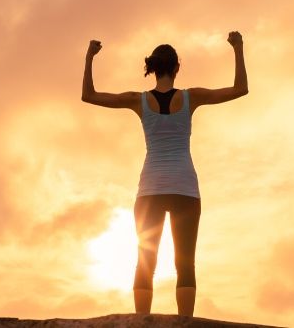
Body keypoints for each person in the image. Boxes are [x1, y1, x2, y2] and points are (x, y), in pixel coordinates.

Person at [81, 31, 248, 317]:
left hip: (150, 190)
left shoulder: (139, 100)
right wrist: (238, 48)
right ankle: (185, 324)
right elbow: (239, 89)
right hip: (185, 188)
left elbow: (89, 95)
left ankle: (141, 324)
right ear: (176, 68)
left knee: (146, 261)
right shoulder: (191, 97)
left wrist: (89, 58)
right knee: (185, 264)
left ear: (153, 69)